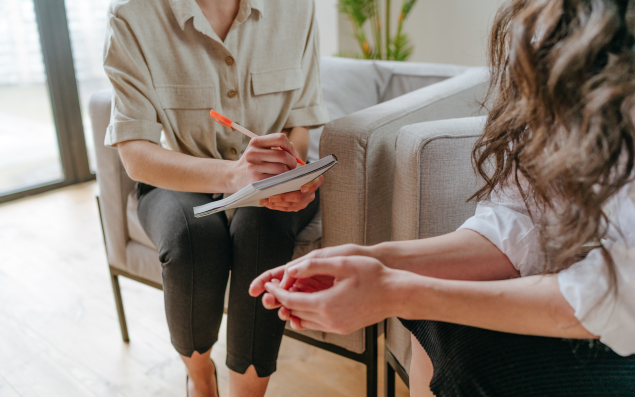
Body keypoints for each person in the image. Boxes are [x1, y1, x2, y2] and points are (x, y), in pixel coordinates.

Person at [250, 0, 635, 395]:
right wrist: (376, 258)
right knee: (437, 320)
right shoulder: (545, 28)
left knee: (439, 316)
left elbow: (622, 293)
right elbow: (522, 215)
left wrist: (398, 290)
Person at [103, 0, 328, 395]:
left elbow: (299, 125)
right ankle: (201, 378)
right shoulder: (132, 15)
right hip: (177, 179)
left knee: (264, 227)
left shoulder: (295, 7)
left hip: (267, 181)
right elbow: (136, 156)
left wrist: (286, 172)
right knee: (192, 239)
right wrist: (235, 175)